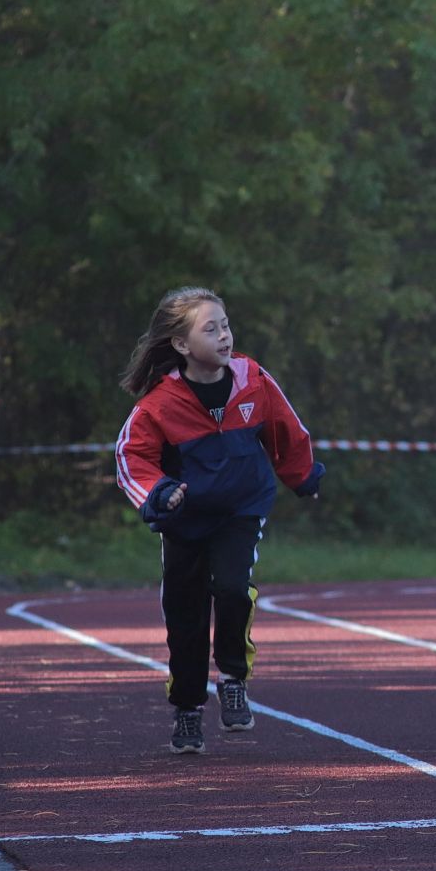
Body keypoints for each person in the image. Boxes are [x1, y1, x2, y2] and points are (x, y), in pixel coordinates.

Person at [115, 287, 324, 754]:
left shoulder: (253, 379)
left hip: (240, 509)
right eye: (210, 329)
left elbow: (286, 430)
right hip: (185, 521)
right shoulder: (158, 404)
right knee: (185, 615)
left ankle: (233, 677)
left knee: (231, 588)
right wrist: (160, 493)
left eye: (225, 324)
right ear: (183, 345)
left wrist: (303, 475)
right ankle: (188, 710)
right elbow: (132, 459)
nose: (224, 335)